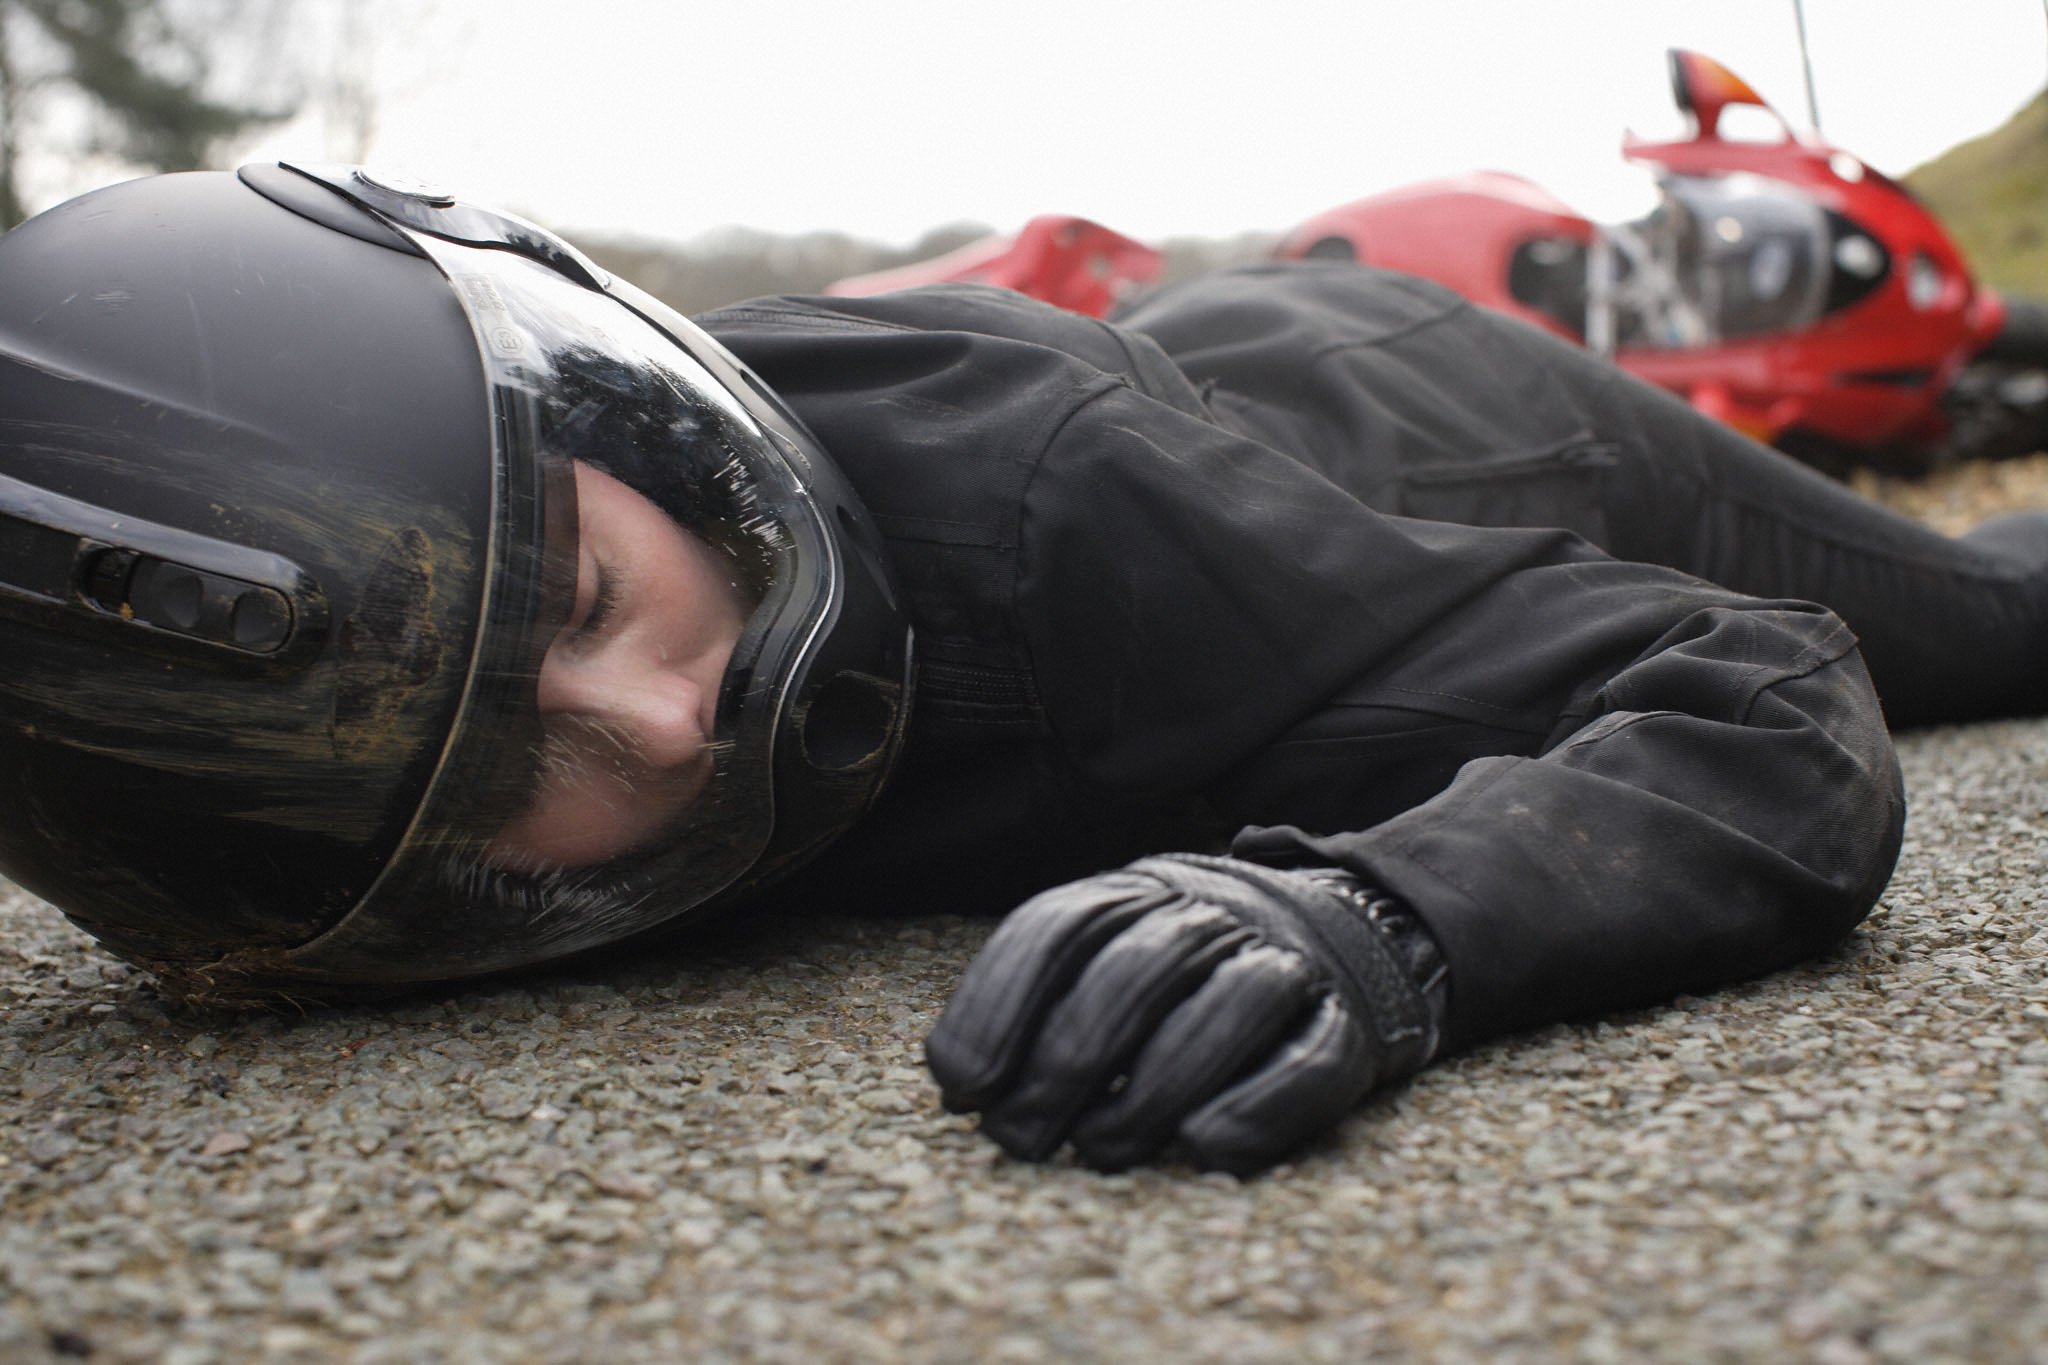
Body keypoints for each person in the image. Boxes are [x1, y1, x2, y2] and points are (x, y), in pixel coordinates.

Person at [0, 166, 2040, 1176]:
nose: (667, 724)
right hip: (1187, 380)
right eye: (484, 781)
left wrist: (1375, 916)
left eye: (585, 593)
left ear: (621, 411)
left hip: (1459, 419)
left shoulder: (1071, 523)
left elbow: (1758, 688)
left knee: (1990, 621)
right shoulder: (318, 747)